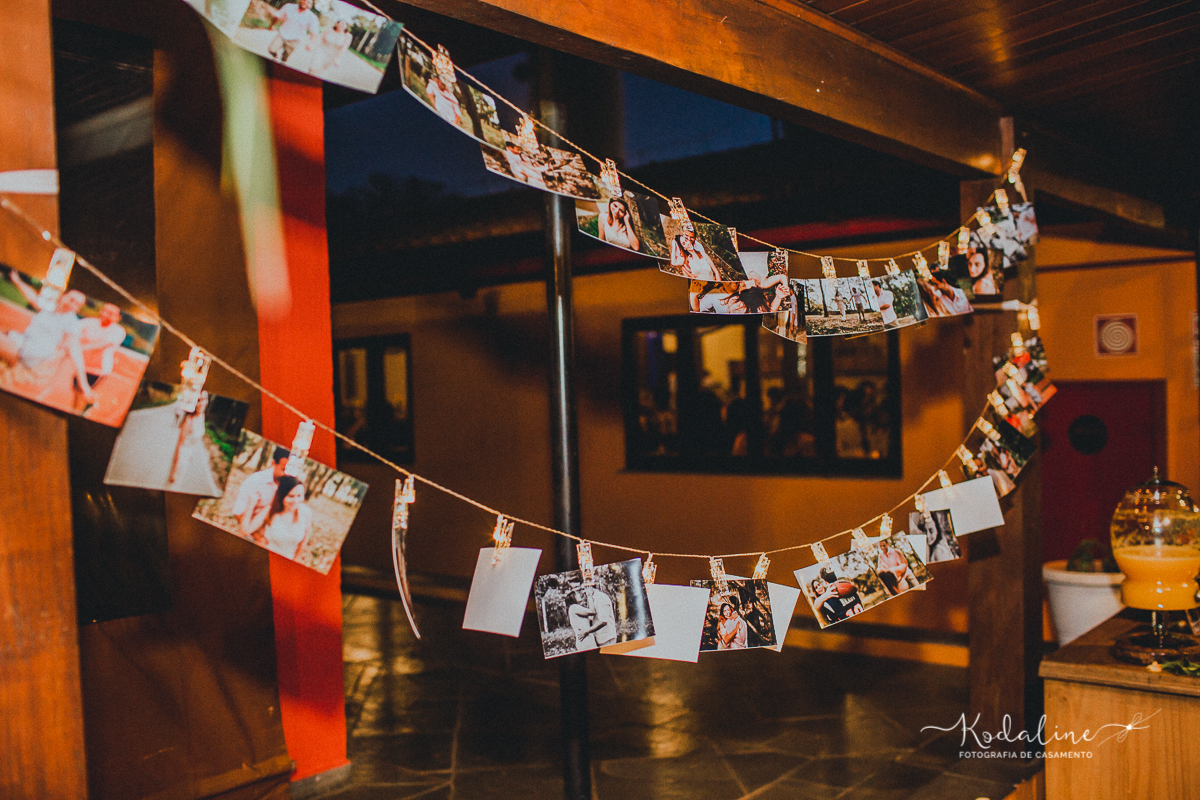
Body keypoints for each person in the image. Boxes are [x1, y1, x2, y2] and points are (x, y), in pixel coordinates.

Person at [0, 270, 95, 407]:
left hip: (32, 352)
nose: (72, 304)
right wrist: (17, 280)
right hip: (21, 341)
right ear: (64, 295)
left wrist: (84, 385)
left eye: (77, 304)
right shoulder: (50, 307)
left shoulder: (71, 322)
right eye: (71, 299)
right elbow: (32, 297)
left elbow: (75, 351)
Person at [230, 446, 290, 545]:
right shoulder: (255, 480)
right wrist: (258, 538)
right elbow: (238, 512)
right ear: (273, 463)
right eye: (283, 469)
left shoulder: (288, 485)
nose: (287, 474)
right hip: (249, 536)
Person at [76, 302, 126, 411]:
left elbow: (103, 344)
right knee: (77, 392)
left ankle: (80, 411)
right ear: (101, 311)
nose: (107, 315)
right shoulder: (88, 322)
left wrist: (80, 348)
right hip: (81, 366)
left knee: (83, 393)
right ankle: (85, 405)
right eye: (105, 311)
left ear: (118, 317)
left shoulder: (119, 331)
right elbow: (73, 330)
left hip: (98, 370)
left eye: (111, 313)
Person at [250, 474, 313, 560]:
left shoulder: (306, 512)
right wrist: (259, 537)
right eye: (291, 496)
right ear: (282, 496)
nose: (296, 501)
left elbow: (303, 543)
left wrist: (295, 561)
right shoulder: (271, 511)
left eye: (299, 496)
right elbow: (247, 529)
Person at [167, 390, 210, 488]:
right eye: (199, 400)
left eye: (204, 400)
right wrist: (174, 468)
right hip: (181, 457)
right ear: (195, 402)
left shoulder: (202, 417)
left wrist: (192, 454)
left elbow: (196, 441)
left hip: (189, 455)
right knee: (174, 485)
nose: (202, 403)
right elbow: (180, 444)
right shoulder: (189, 419)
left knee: (179, 483)